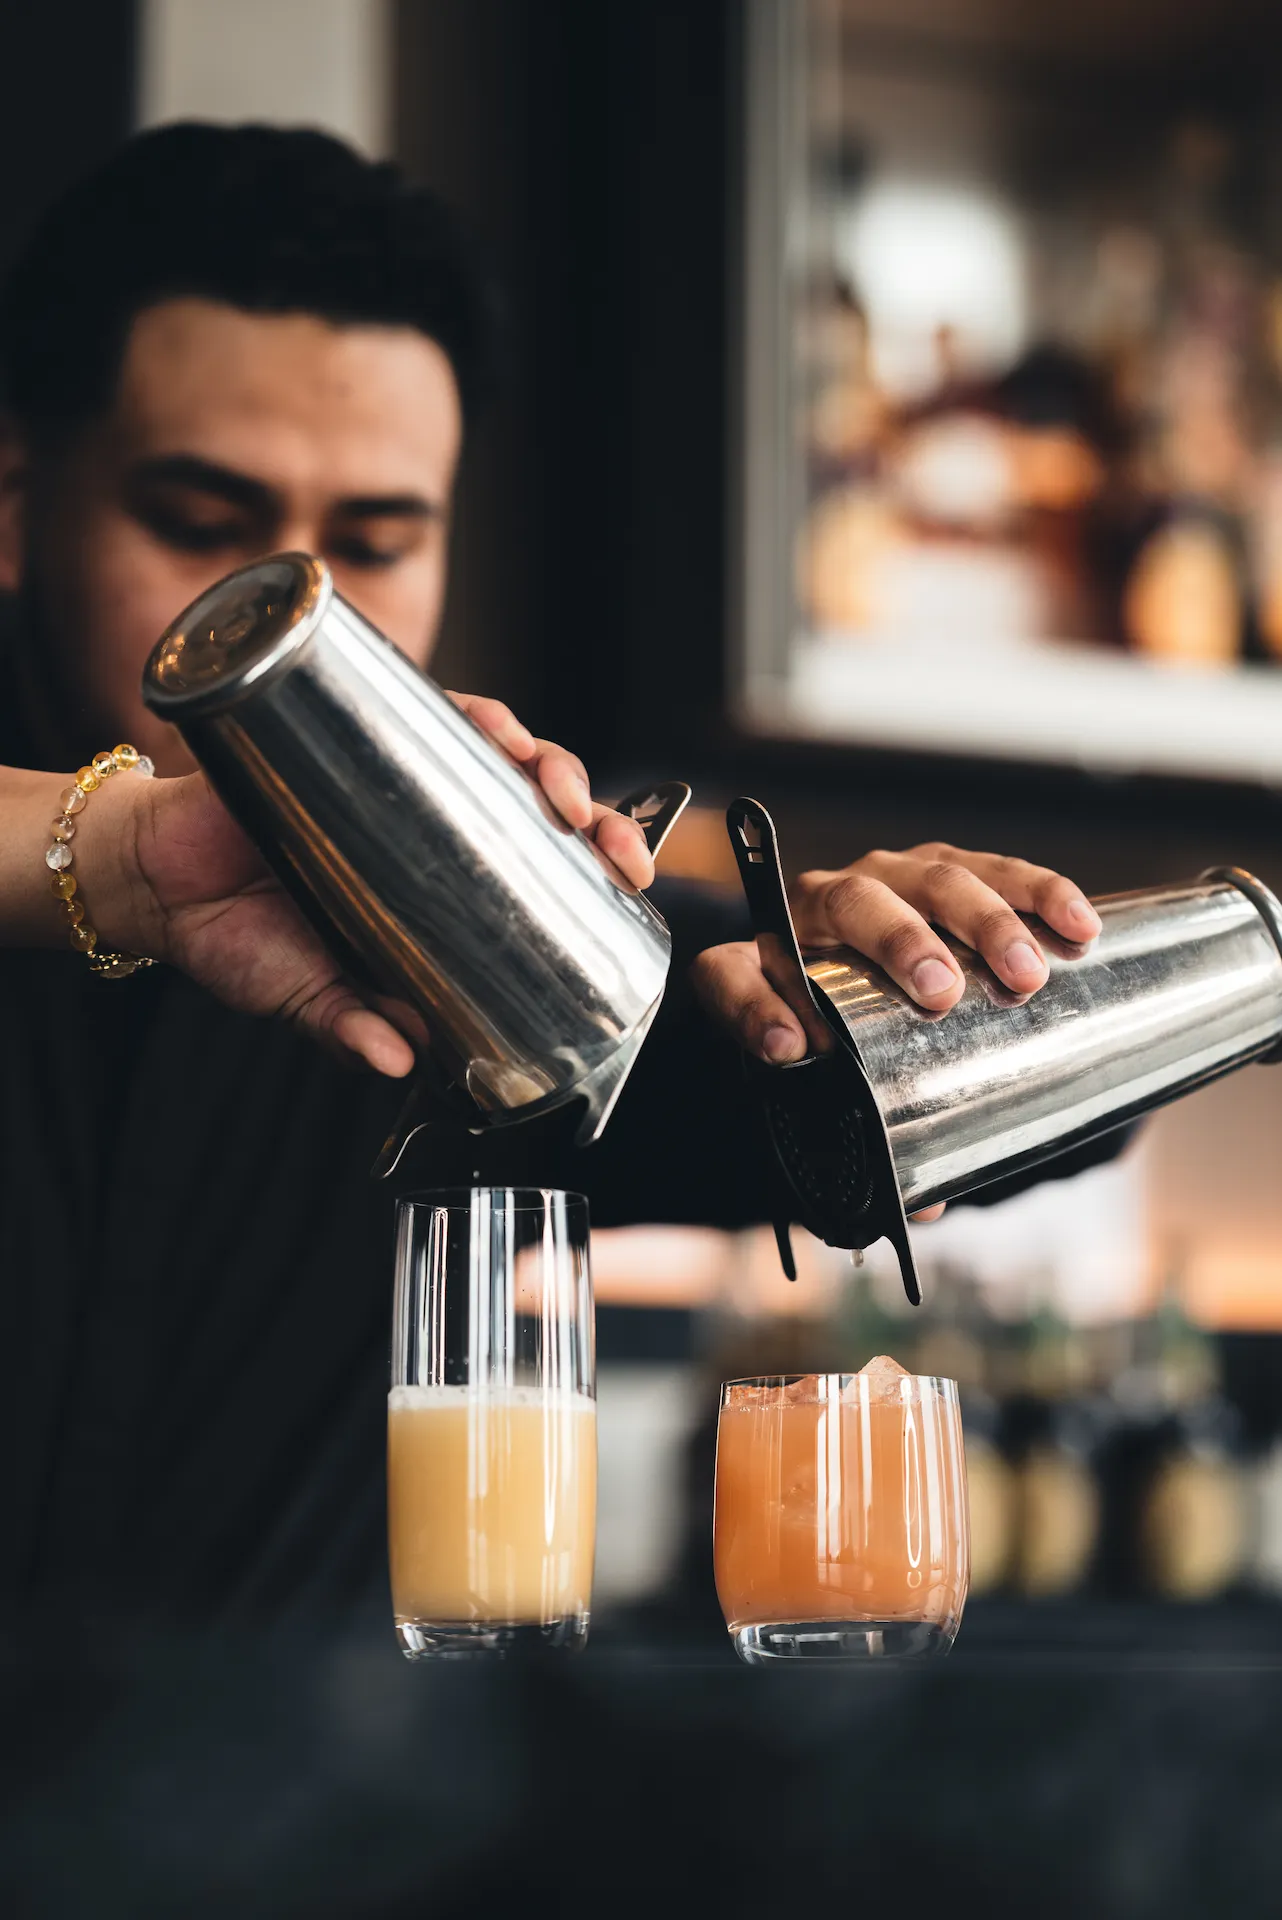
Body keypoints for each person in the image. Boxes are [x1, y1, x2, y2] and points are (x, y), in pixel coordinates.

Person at [0, 125, 1107, 1630]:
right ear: (15, 505)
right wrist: (118, 853)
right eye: (204, 527)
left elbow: (1008, 1115)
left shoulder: (487, 963)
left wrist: (898, 977)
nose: (300, 628)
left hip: (274, 1854)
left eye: (377, 544)